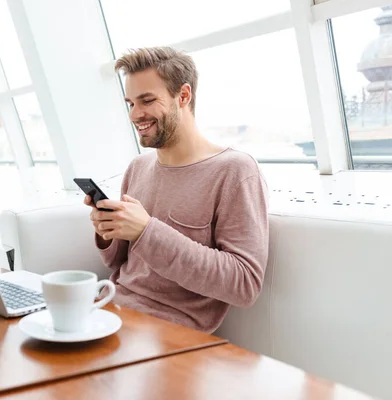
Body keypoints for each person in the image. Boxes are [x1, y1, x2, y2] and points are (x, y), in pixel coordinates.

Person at [84, 47, 269, 333]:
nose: (135, 115)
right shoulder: (138, 167)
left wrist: (146, 231)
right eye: (130, 103)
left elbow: (244, 284)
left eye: (147, 101)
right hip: (109, 309)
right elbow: (118, 262)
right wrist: (108, 229)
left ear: (183, 96)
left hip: (168, 332)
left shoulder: (235, 171)